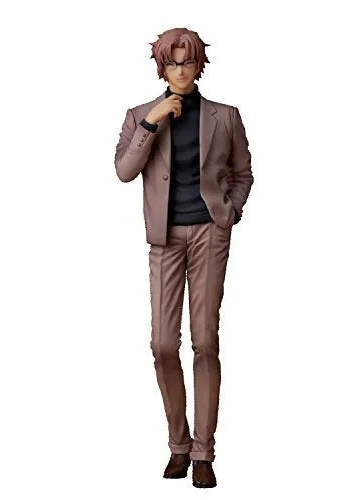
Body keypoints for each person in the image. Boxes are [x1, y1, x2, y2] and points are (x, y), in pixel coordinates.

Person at [114, 27, 254, 488]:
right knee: (162, 344)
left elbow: (243, 172)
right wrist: (153, 122)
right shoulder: (139, 115)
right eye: (172, 63)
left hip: (210, 234)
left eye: (188, 62)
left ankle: (202, 452)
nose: (180, 70)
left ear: (199, 66)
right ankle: (177, 443)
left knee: (205, 340)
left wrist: (230, 213)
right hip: (164, 238)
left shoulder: (225, 116)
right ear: (161, 67)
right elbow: (124, 171)